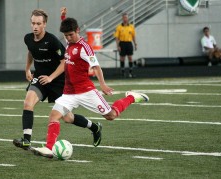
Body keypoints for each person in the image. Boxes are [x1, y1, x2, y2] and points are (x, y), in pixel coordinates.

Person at [31, 17, 149, 158]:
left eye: (71, 35)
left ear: (78, 31)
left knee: (111, 115)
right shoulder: (69, 42)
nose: (68, 38)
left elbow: (96, 67)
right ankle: (49, 148)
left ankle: (131, 97)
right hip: (69, 93)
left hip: (86, 91)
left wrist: (103, 85)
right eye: (66, 35)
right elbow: (67, 31)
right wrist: (63, 18)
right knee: (56, 117)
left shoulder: (85, 47)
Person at [13, 9, 102, 150]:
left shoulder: (52, 40)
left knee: (68, 118)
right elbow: (31, 51)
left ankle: (95, 127)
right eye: (33, 23)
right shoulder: (28, 38)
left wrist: (51, 77)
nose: (35, 26)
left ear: (44, 24)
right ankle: (26, 140)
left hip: (59, 81)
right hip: (40, 78)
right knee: (28, 103)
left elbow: (64, 62)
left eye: (38, 23)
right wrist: (27, 68)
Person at [114, 13, 137, 78]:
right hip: (122, 43)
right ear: (122, 18)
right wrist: (118, 45)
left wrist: (135, 44)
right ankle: (123, 72)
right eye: (124, 17)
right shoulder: (119, 27)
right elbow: (117, 37)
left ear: (128, 18)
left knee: (130, 58)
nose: (125, 19)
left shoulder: (131, 26)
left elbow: (133, 36)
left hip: (129, 43)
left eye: (126, 17)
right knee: (122, 58)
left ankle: (130, 72)